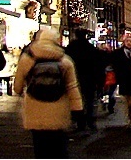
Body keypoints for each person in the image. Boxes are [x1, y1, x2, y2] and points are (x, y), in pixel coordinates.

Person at [14, 27, 83, 158]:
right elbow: (72, 87)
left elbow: (17, 87)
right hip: (58, 109)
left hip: (35, 109)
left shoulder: (27, 59)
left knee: (40, 146)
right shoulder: (65, 61)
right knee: (58, 146)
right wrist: (77, 109)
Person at [64, 29, 103, 131]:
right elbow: (97, 65)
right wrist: (99, 81)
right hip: (89, 79)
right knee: (89, 101)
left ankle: (79, 122)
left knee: (77, 101)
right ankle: (90, 122)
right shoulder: (90, 48)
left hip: (75, 78)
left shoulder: (71, 48)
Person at [98, 42, 117, 114]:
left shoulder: (99, 55)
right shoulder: (113, 55)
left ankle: (106, 103)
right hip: (110, 76)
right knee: (110, 92)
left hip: (105, 76)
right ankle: (109, 105)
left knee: (106, 92)